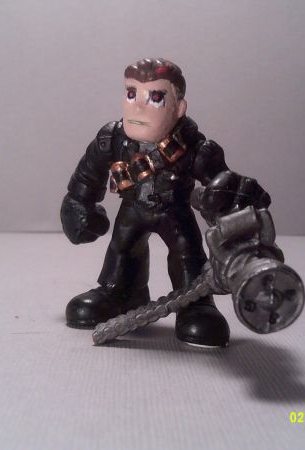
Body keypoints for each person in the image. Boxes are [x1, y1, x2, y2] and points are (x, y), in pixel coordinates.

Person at [60, 58, 269, 347]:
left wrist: (231, 205)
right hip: (132, 209)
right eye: (131, 93)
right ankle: (120, 291)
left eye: (155, 98)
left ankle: (195, 302)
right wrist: (78, 203)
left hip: (175, 212)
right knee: (122, 249)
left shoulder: (194, 147)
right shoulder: (113, 138)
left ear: (179, 108)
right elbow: (89, 172)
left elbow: (222, 186)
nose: (138, 106)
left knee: (186, 255)